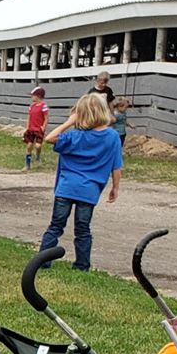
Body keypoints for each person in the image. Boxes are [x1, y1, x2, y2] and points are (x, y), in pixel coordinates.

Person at [40, 92, 124, 273]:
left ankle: (43, 261)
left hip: (66, 188)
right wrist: (115, 187)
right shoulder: (112, 137)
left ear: (80, 113)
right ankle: (82, 265)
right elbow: (117, 165)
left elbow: (49, 138)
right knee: (83, 229)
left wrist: (69, 122)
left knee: (55, 226)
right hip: (89, 190)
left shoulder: (74, 136)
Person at [23, 86, 49, 171]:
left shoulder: (43, 106)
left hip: (39, 129)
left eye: (33, 95)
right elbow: (29, 117)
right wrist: (27, 127)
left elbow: (46, 118)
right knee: (29, 146)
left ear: (38, 96)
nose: (31, 97)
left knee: (38, 146)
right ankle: (27, 164)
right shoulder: (32, 106)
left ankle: (38, 157)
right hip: (31, 129)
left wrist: (43, 127)